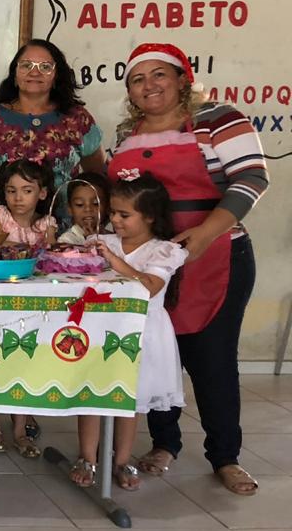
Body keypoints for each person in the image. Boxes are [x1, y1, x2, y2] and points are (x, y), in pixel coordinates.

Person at [109, 43, 267, 496]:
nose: (149, 85)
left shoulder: (218, 120)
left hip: (216, 257)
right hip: (151, 261)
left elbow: (253, 178)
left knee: (212, 359)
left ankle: (226, 456)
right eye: (137, 79)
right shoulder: (128, 135)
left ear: (183, 79)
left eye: (160, 75)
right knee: (159, 353)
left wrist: (204, 235)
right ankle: (165, 444)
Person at [70, 171, 188, 491]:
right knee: (92, 394)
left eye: (125, 215)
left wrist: (115, 262)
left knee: (128, 401)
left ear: (149, 216)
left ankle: (122, 459)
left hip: (143, 332)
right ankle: (87, 457)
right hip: (100, 329)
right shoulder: (102, 242)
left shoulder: (163, 250)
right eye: (113, 213)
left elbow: (150, 286)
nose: (116, 221)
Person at [0, 39, 105, 215]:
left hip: (60, 234)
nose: (34, 72)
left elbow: (96, 177)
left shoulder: (77, 119)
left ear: (56, 75)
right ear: (15, 73)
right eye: (26, 65)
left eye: (45, 67)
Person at [0, 159, 54, 457]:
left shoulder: (46, 224)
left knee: (24, 361)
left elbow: (49, 259)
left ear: (42, 193)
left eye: (26, 190)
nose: (18, 198)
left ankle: (20, 428)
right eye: (11, 190)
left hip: (29, 307)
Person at [56, 172, 111, 245]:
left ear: (107, 207)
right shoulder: (66, 240)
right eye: (80, 204)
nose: (88, 209)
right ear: (70, 209)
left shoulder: (113, 235)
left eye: (95, 203)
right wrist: (91, 241)